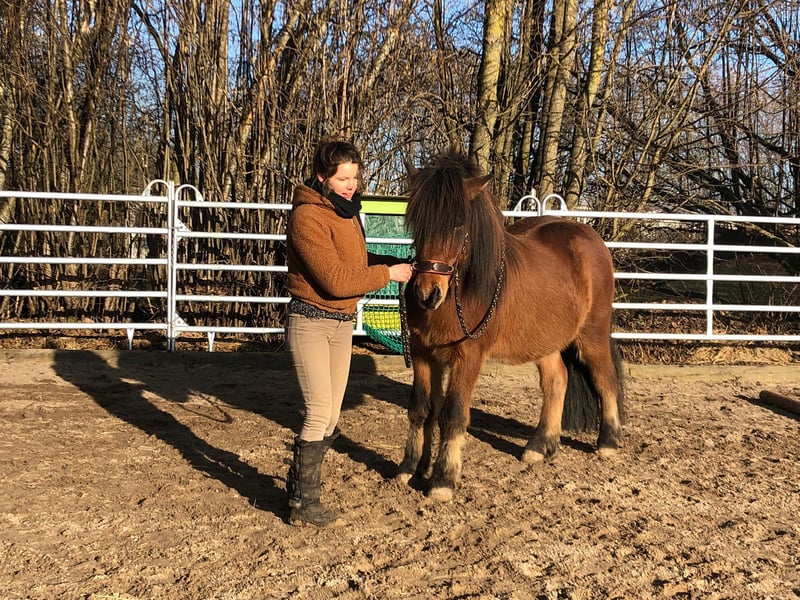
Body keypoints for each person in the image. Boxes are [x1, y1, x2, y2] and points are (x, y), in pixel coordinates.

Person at [284, 139, 413, 527]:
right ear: (322, 176)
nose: (351, 185)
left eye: (354, 177)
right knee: (318, 411)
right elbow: (336, 279)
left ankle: (300, 486)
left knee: (331, 416)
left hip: (341, 325)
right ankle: (303, 503)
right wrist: (387, 274)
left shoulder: (347, 213)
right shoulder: (307, 217)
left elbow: (355, 261)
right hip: (311, 322)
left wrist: (393, 262)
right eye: (343, 178)